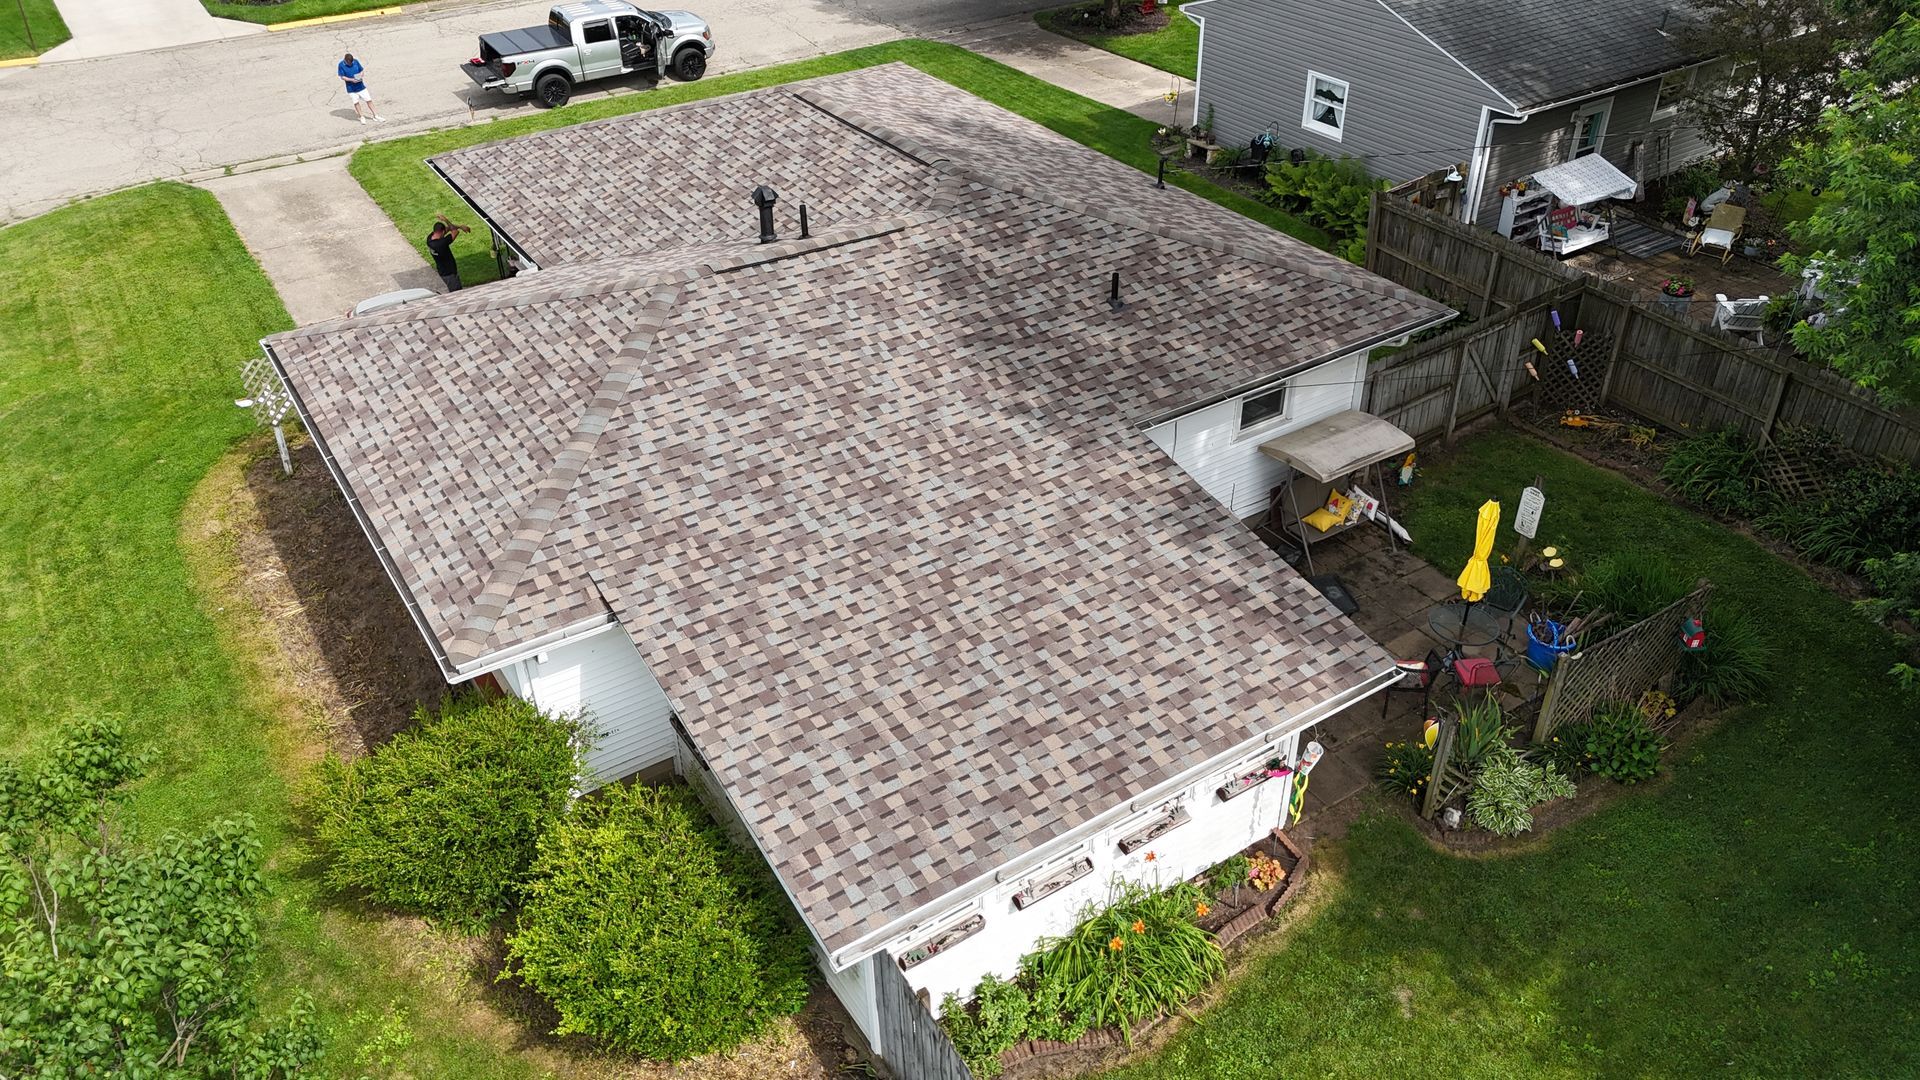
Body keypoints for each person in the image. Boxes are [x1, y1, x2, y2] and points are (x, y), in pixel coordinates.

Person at [337, 53, 385, 125]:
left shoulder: (355, 61)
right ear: (346, 61)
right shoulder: (341, 65)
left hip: (361, 86)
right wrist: (351, 80)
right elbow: (342, 76)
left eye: (352, 62)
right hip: (351, 89)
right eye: (349, 63)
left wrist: (360, 75)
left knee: (369, 100)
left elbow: (361, 70)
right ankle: (361, 117)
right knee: (356, 102)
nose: (351, 64)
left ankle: (376, 116)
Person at [427, 214, 471, 292]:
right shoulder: (441, 243)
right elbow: (455, 231)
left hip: (443, 271)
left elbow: (449, 228)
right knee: (457, 293)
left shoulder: (430, 239)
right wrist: (446, 220)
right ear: (443, 232)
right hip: (449, 273)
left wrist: (461, 226)